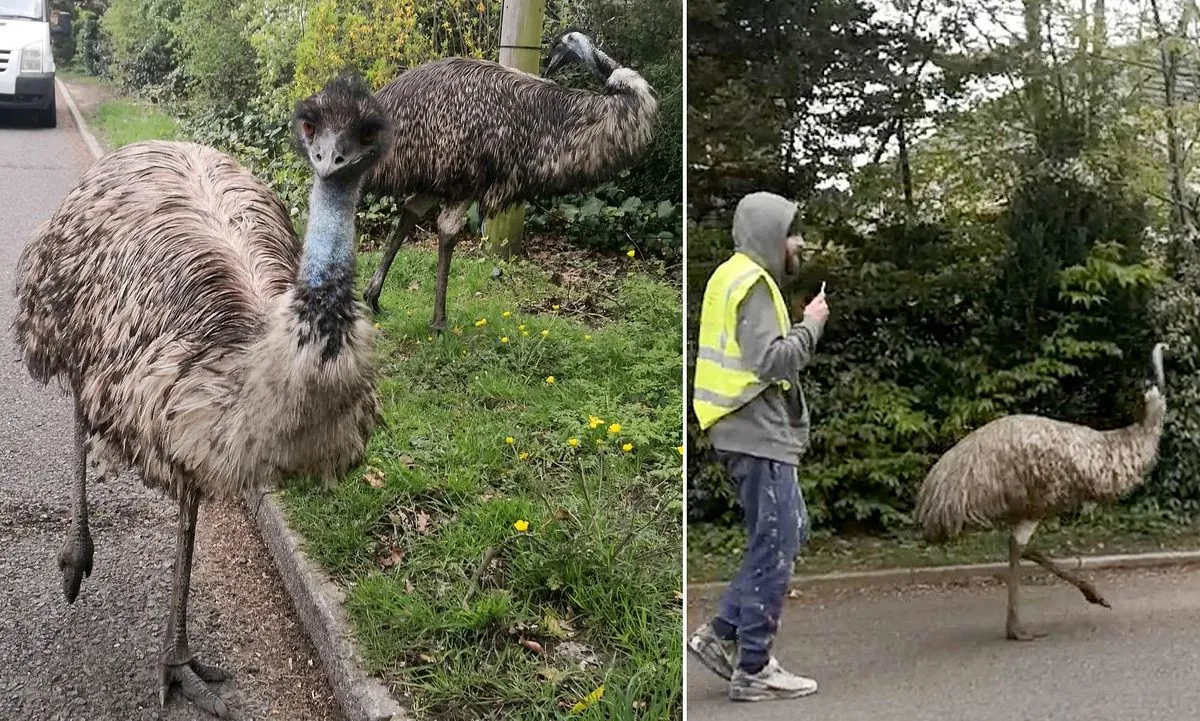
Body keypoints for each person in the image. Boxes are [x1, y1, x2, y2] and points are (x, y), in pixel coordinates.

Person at [688, 191, 828, 702]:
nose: (799, 242)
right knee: (776, 542)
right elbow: (770, 362)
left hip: (750, 430)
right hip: (754, 431)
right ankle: (753, 668)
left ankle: (720, 633)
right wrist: (811, 326)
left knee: (788, 533)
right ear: (771, 234)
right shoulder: (750, 282)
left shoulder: (735, 275)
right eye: (792, 232)